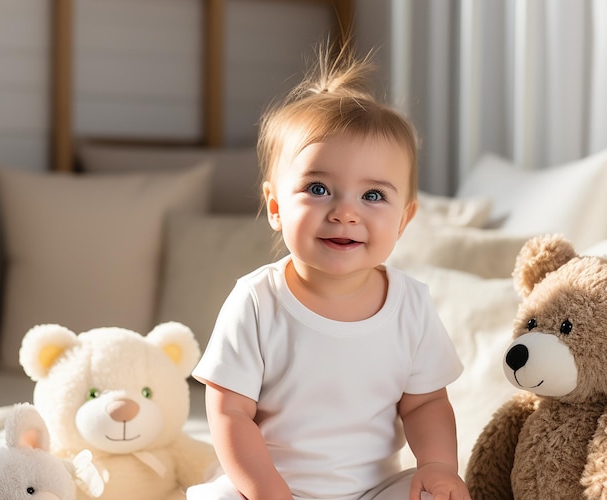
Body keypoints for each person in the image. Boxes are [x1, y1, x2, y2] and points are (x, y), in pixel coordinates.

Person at [187, 44, 470, 500]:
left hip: (375, 489)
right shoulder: (258, 300)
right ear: (276, 207)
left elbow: (426, 403)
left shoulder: (411, 304)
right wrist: (265, 489)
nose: (344, 213)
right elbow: (229, 413)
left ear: (404, 219)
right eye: (319, 189)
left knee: (437, 496)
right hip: (272, 487)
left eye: (373, 196)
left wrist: (438, 465)